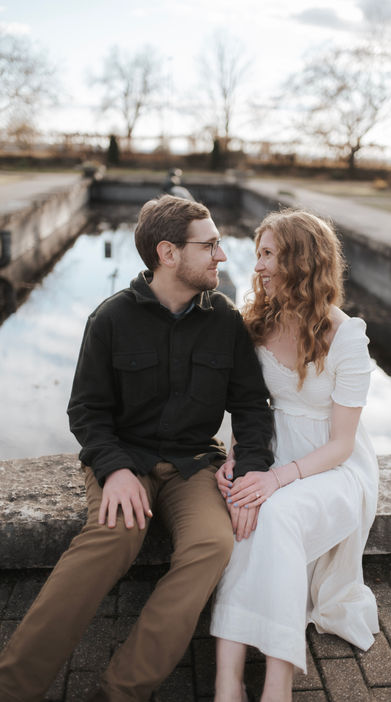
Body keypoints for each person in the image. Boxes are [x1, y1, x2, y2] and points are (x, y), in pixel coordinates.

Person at [0, 195, 273, 702]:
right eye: (209, 245)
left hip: (195, 463)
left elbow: (252, 407)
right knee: (114, 536)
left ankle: (121, 692)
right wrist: (114, 470)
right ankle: (13, 687)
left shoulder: (225, 321)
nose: (222, 255)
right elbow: (87, 412)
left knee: (213, 544)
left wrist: (250, 468)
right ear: (168, 253)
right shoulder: (110, 318)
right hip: (126, 459)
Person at [211, 209, 379, 702]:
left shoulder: (346, 335)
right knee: (244, 513)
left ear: (300, 260)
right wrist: (238, 459)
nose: (258, 265)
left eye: (268, 254)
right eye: (259, 253)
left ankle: (278, 683)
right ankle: (227, 681)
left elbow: (342, 444)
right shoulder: (257, 323)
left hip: (334, 468)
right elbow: (249, 406)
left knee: (275, 513)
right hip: (271, 452)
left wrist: (277, 479)